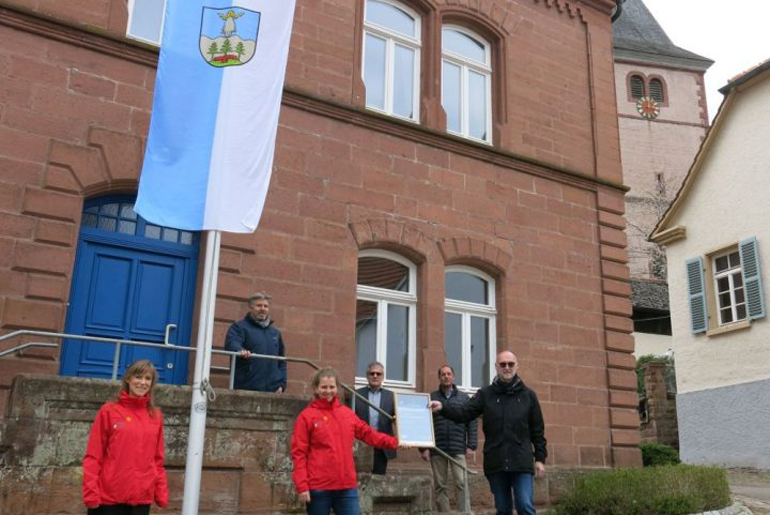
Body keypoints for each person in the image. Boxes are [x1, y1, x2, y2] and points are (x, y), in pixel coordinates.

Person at [430, 351, 547, 515]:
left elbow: (537, 430)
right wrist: (443, 408)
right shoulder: (485, 394)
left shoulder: (528, 396)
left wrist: (540, 459)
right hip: (496, 462)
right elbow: (464, 412)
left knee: (525, 506)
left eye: (510, 364)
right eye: (503, 364)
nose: (507, 367)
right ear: (496, 367)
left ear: (517, 366)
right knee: (503, 509)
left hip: (521, 461)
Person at [291, 367, 399, 515]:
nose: (328, 391)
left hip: (346, 487)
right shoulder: (306, 417)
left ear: (337, 388)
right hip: (318, 487)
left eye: (331, 387)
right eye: (324, 387)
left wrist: (396, 442)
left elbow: (369, 435)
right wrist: (302, 486)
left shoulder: (347, 414)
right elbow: (299, 454)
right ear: (316, 389)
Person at [82, 360, 169, 515]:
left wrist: (160, 491)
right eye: (138, 377)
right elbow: (93, 456)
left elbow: (157, 459)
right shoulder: (109, 411)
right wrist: (91, 493)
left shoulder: (155, 416)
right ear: (128, 379)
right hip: (109, 498)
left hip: (141, 499)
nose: (142, 382)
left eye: (147, 378)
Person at [420, 365, 478, 513]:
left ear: (453, 377)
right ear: (439, 378)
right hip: (437, 448)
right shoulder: (431, 398)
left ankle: (465, 512)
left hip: (458, 447)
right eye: (443, 374)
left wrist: (471, 445)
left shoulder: (464, 398)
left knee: (461, 483)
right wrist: (424, 448)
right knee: (440, 485)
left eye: (449, 374)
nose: (446, 376)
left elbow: (472, 422)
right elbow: (423, 423)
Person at [224, 291, 287, 393]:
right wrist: (240, 350)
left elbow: (282, 361)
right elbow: (231, 343)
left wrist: (282, 384)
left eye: (265, 306)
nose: (263, 309)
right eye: (259, 306)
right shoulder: (239, 327)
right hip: (246, 386)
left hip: (272, 389)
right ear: (251, 307)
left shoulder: (275, 333)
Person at [353, 361, 396, 474]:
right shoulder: (356, 394)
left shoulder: (391, 396)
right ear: (367, 376)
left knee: (379, 478)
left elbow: (398, 419)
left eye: (378, 374)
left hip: (382, 445)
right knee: (360, 479)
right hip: (362, 443)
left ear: (383, 376)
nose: (375, 376)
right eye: (372, 373)